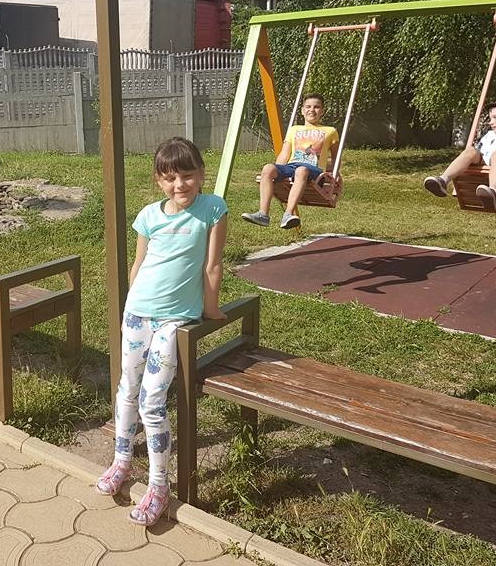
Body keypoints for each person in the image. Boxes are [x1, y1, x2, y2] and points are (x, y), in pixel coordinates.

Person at [95, 136, 228, 527]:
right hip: (138, 313)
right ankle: (121, 461)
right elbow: (138, 266)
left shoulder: (213, 209)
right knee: (127, 390)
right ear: (158, 180)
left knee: (152, 401)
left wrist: (211, 309)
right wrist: (130, 307)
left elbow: (213, 265)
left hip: (174, 321)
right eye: (170, 178)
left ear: (201, 174)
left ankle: (158, 486)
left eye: (187, 175)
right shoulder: (148, 216)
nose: (179, 185)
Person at [241, 93, 340, 229]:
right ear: (302, 110)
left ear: (322, 111)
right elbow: (285, 153)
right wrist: (277, 171)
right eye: (308, 107)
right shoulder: (294, 130)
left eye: (316, 107)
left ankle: (288, 214)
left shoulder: (330, 131)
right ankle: (263, 214)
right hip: (292, 166)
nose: (312, 110)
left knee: (302, 170)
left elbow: (335, 156)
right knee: (268, 168)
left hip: (314, 170)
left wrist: (335, 174)